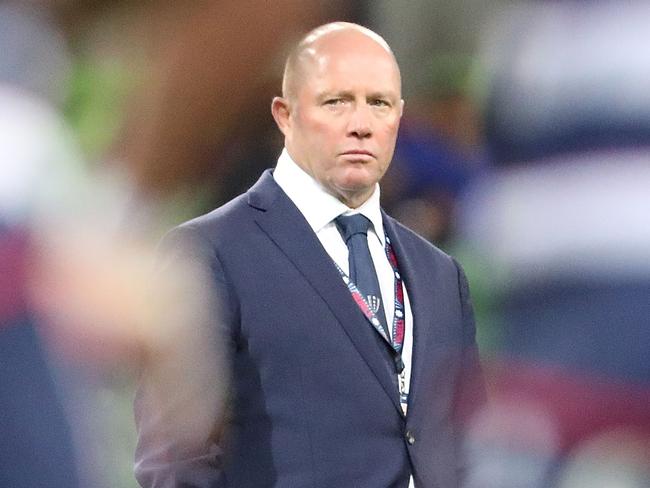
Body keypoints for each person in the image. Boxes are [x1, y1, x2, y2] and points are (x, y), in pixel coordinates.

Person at [134, 22, 484, 488]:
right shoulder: (207, 253)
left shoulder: (441, 275)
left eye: (378, 103)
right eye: (336, 101)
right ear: (285, 114)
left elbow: (469, 446)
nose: (360, 124)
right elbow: (175, 461)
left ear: (399, 116)